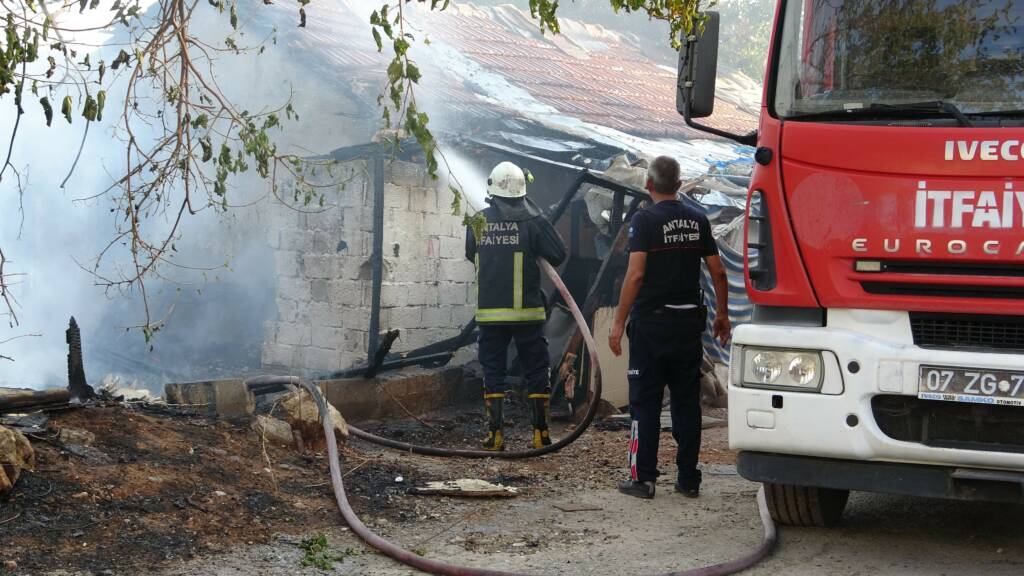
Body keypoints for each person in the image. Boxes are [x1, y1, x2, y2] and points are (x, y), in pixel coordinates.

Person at [608, 156, 731, 499]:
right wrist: (723, 315)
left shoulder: (644, 220)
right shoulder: (697, 220)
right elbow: (718, 272)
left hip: (651, 325)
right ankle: (688, 478)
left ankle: (643, 479)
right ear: (678, 185)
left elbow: (636, 274)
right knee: (686, 401)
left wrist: (618, 323)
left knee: (645, 402)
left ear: (649, 185)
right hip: (688, 324)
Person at [466, 161, 567, 451]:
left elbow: (469, 253)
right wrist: (535, 216)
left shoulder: (477, 221)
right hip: (528, 315)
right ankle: (541, 435)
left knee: (493, 372)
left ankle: (495, 436)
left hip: (490, 315)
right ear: (523, 192)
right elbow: (558, 254)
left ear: (492, 190)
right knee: (536, 371)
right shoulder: (533, 222)